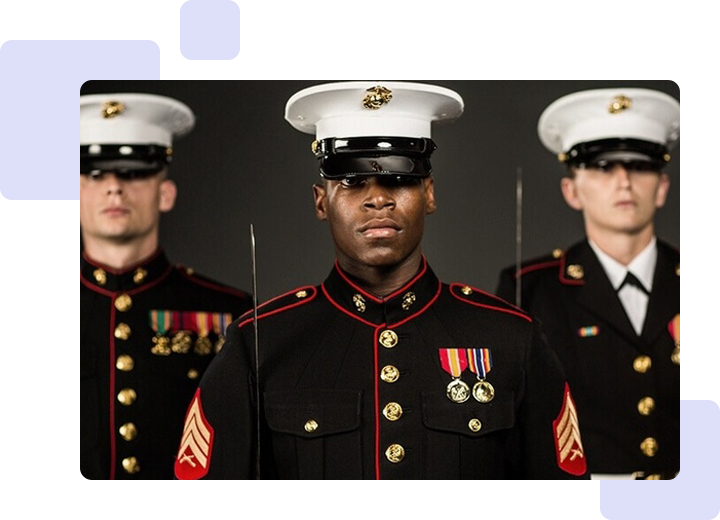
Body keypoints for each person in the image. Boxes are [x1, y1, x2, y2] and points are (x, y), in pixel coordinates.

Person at [174, 81, 588, 480]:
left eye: (399, 179)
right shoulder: (260, 343)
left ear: (429, 194)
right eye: (352, 182)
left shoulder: (511, 337)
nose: (378, 198)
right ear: (321, 201)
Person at [496, 87, 682, 480]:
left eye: (639, 165)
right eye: (601, 167)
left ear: (662, 187)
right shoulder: (530, 290)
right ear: (571, 190)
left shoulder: (706, 285)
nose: (624, 181)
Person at [80, 92, 252, 479]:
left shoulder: (229, 312)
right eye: (94, 173)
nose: (114, 188)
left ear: (166, 192)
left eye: (134, 171)